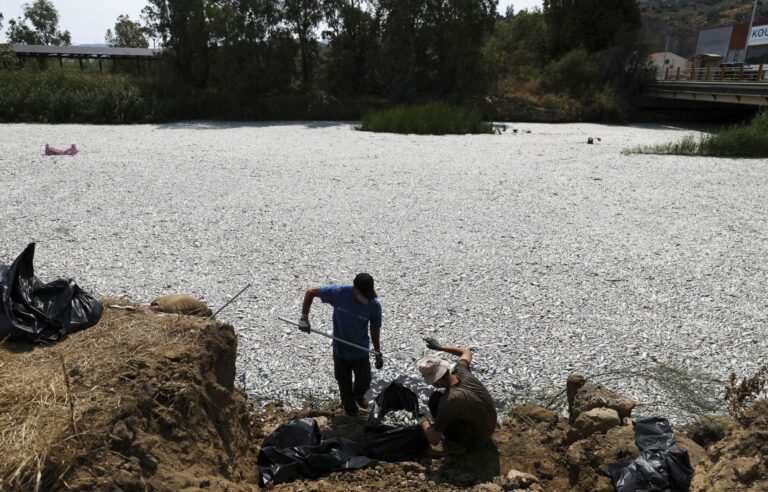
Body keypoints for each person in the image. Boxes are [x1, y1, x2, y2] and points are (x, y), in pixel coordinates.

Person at [300, 273, 383, 416]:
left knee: (364, 382)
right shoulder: (339, 293)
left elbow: (374, 329)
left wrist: (377, 352)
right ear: (355, 289)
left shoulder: (373, 305)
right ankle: (351, 414)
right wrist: (304, 318)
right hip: (340, 351)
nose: (367, 298)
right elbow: (311, 292)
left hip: (360, 351)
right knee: (344, 386)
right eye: (364, 294)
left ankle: (358, 395)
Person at [417, 338, 497, 451]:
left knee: (434, 400)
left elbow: (434, 441)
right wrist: (439, 347)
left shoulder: (450, 400)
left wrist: (422, 420)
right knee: (441, 399)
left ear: (438, 380)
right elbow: (466, 352)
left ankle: (457, 445)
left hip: (476, 441)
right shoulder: (462, 370)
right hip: (490, 427)